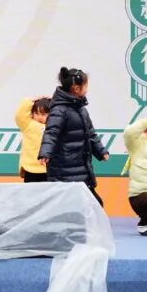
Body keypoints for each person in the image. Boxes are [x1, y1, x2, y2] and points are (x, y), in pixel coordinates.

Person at [38, 67, 109, 206]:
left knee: (94, 204)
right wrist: (45, 152)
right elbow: (51, 132)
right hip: (64, 168)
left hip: (81, 167)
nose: (87, 89)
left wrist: (101, 151)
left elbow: (90, 134)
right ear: (76, 88)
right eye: (85, 86)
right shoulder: (59, 110)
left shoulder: (81, 110)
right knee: (71, 205)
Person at [15, 97, 51, 183]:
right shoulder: (28, 124)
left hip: (49, 169)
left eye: (43, 114)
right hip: (31, 169)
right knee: (30, 191)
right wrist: (32, 101)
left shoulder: (55, 126)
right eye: (36, 113)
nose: (39, 117)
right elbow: (19, 116)